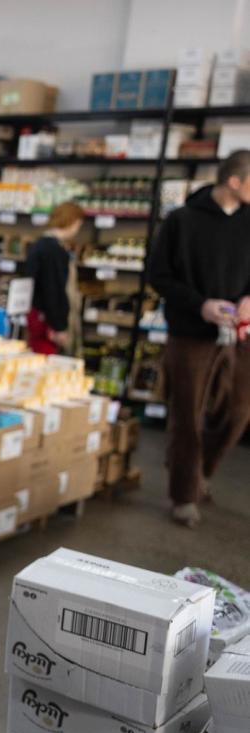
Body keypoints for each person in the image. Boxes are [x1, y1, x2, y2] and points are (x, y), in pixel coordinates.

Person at [147, 150, 250, 528]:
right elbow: (158, 275)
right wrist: (200, 305)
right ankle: (184, 494)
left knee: (238, 411)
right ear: (235, 182)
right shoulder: (182, 221)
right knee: (187, 415)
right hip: (191, 333)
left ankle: (198, 470)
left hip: (241, 336)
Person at [24, 202, 85, 355]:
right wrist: (59, 326)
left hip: (37, 316)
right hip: (45, 321)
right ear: (73, 222)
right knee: (46, 364)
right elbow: (54, 290)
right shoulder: (54, 251)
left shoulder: (40, 245)